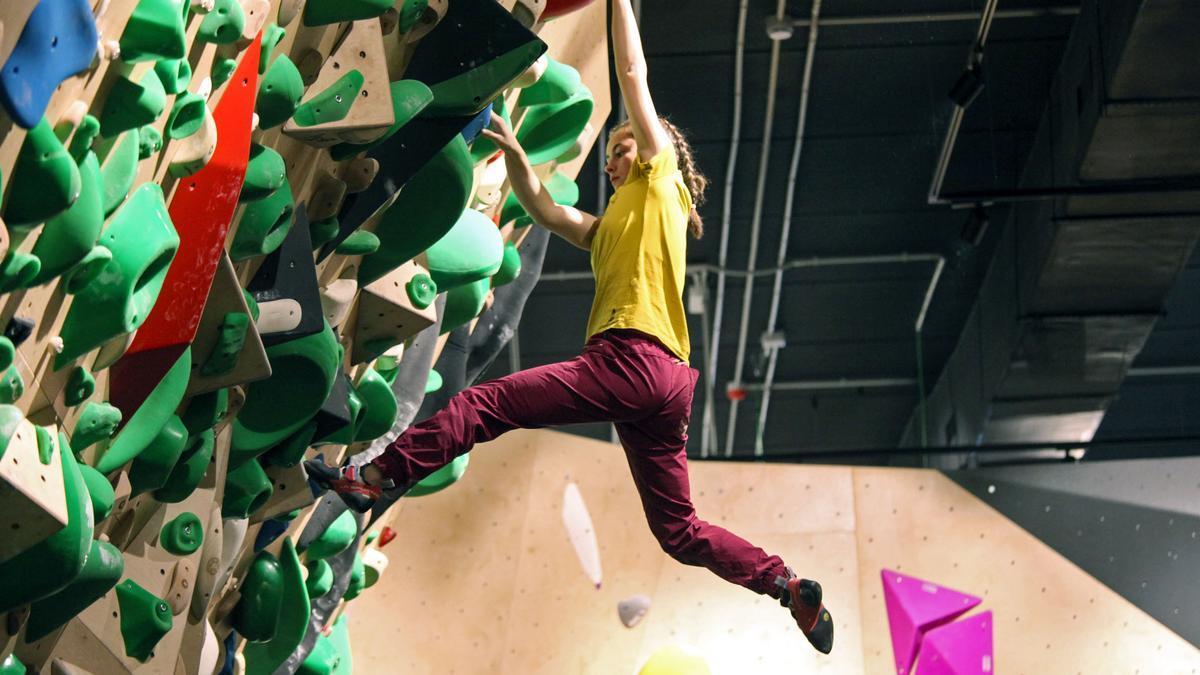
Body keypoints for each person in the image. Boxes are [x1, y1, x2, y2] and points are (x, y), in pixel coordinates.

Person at [305, 0, 834, 655]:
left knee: (481, 403)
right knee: (679, 528)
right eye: (610, 156)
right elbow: (550, 213)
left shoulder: (660, 178)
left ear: (654, 150)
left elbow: (634, 75)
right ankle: (784, 584)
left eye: (621, 149)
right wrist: (519, 156)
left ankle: (374, 478)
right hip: (666, 382)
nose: (612, 162)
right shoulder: (616, 224)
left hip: (629, 360)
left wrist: (619, 5)